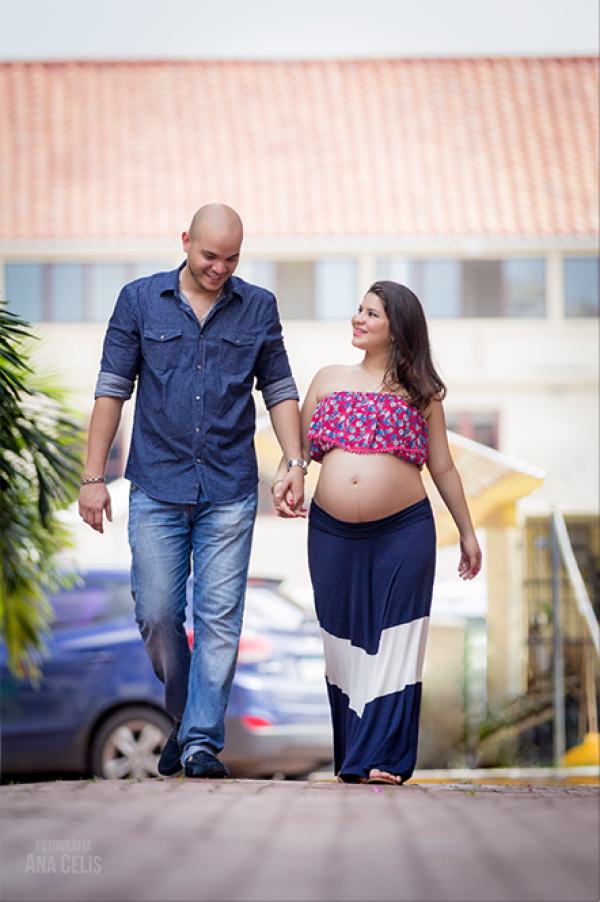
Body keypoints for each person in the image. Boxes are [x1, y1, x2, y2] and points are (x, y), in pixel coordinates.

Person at [79, 203, 308, 779]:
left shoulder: (258, 306)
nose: (219, 269)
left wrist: (294, 461)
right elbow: (111, 391)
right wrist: (93, 478)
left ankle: (202, 742)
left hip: (229, 487)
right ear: (185, 241)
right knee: (157, 613)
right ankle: (185, 719)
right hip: (156, 484)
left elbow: (280, 389)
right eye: (210, 256)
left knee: (219, 619)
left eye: (232, 259)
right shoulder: (139, 300)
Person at [273, 280, 482, 785]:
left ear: (397, 329)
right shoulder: (327, 379)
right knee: (340, 641)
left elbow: (443, 467)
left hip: (404, 531)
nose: (358, 319)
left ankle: (386, 758)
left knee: (398, 641)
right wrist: (287, 478)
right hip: (331, 533)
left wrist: (468, 532)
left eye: (371, 313)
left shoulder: (422, 394)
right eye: (359, 309)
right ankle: (354, 756)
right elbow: (297, 452)